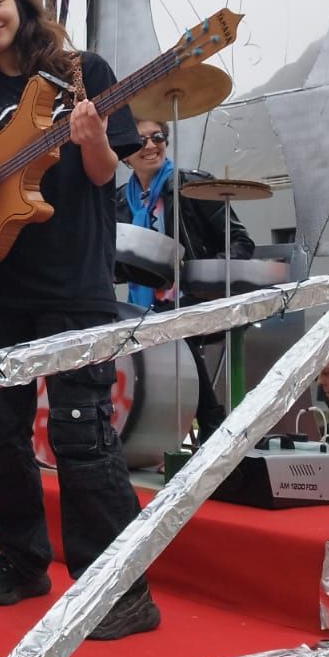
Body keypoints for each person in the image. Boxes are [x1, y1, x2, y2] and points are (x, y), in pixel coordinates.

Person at [0, 0, 159, 640]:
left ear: (19, 4)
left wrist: (91, 136)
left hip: (71, 283)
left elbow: (100, 174)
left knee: (82, 434)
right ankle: (24, 559)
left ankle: (121, 591)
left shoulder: (80, 71)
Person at [117, 118, 255, 439]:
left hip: (195, 298)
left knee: (174, 329)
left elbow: (240, 243)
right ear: (124, 154)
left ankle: (210, 424)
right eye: (140, 141)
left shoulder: (192, 186)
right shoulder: (120, 200)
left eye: (158, 137)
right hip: (144, 304)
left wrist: (203, 276)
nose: (151, 146)